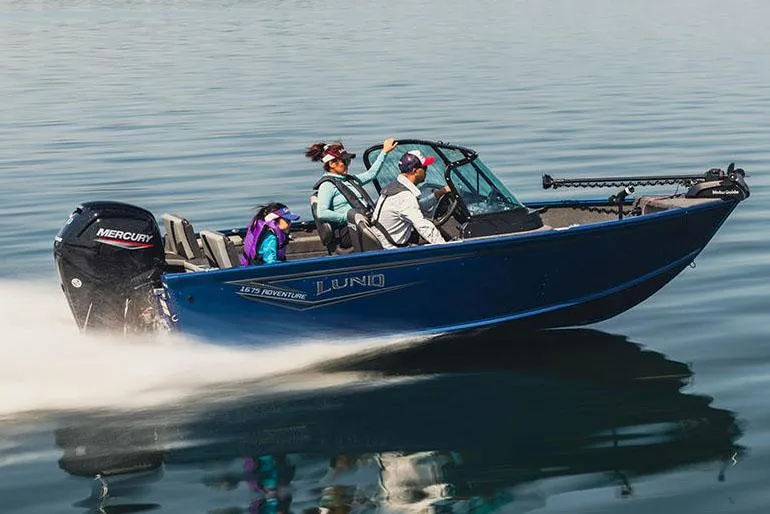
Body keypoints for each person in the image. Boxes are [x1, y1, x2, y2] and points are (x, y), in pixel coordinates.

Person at [306, 138, 398, 249]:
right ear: (332, 163)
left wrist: (384, 152)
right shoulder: (327, 185)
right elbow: (322, 213)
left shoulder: (349, 179)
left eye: (348, 161)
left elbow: (371, 174)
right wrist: (351, 218)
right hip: (348, 230)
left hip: (362, 224)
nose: (347, 165)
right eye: (344, 162)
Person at [370, 150, 451, 249]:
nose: (426, 171)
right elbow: (423, 226)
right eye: (424, 168)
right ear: (415, 171)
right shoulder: (405, 196)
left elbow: (416, 207)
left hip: (382, 242)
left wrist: (439, 193)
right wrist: (446, 248)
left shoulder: (395, 186)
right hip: (391, 250)